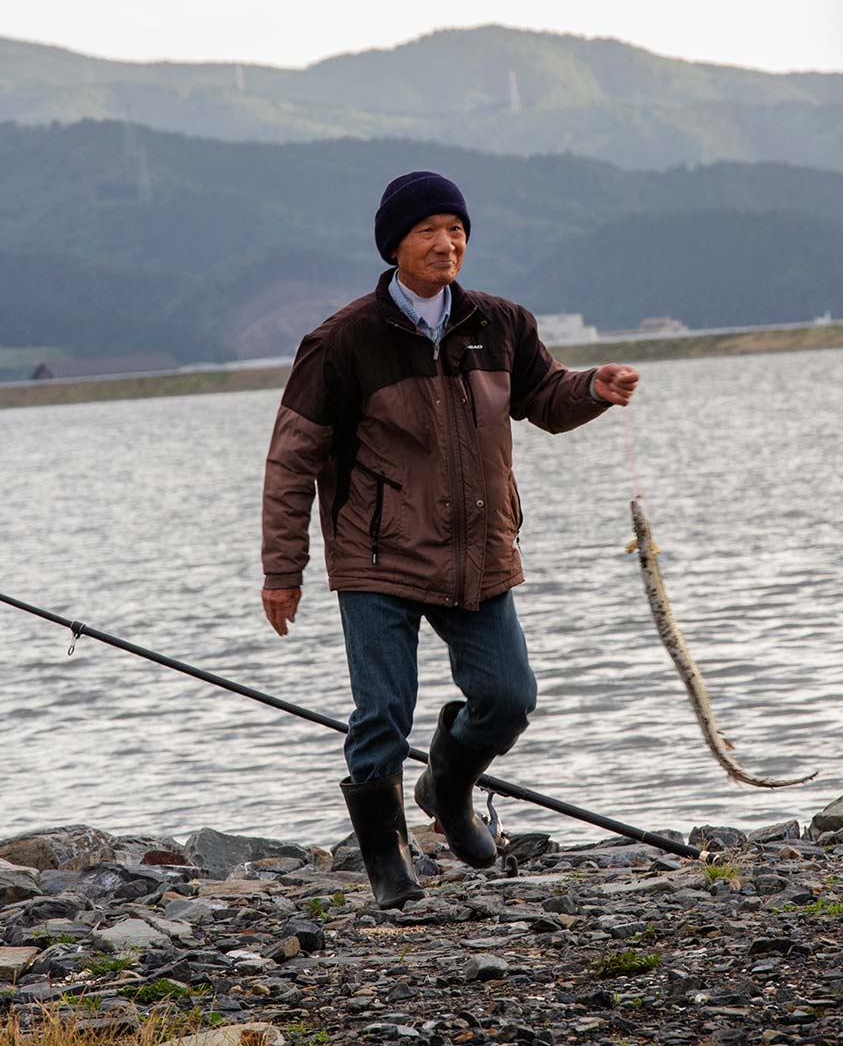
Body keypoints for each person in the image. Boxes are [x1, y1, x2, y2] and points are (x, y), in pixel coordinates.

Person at [261, 171, 639, 909]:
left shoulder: (501, 323)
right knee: (381, 713)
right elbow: (291, 461)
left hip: (480, 553)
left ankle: (449, 785)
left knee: (507, 698)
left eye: (456, 229)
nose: (448, 243)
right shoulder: (341, 342)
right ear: (394, 245)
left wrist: (594, 387)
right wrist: (284, 570)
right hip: (377, 560)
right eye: (429, 230)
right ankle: (387, 864)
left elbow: (545, 399)